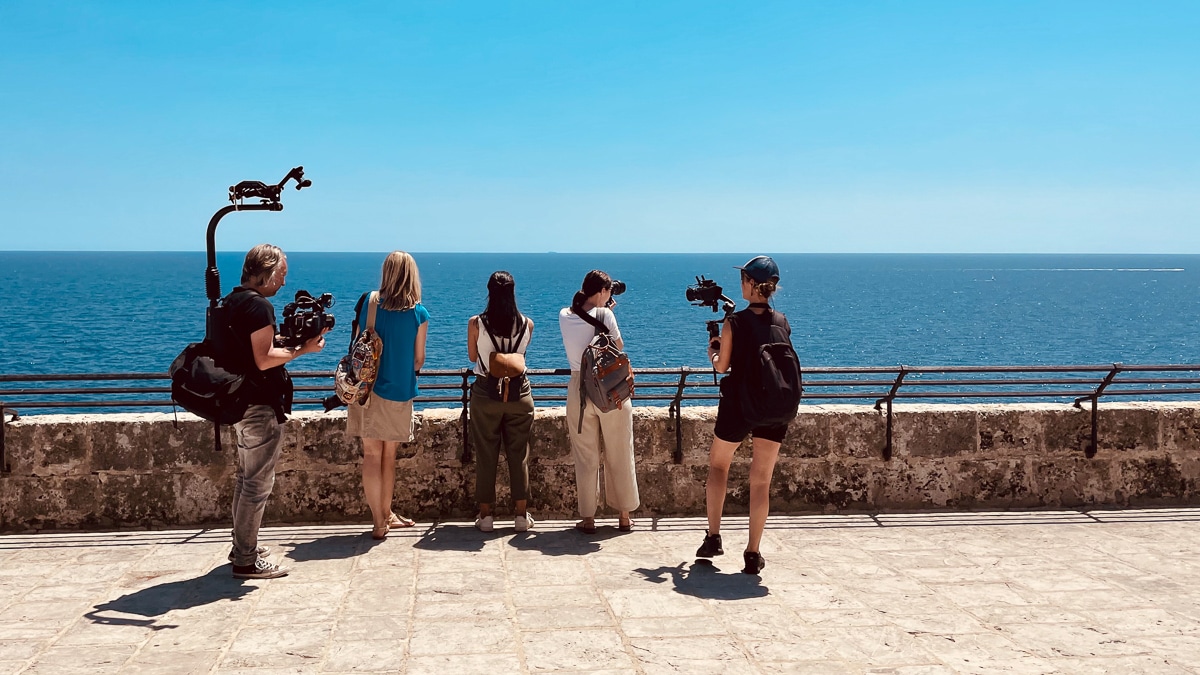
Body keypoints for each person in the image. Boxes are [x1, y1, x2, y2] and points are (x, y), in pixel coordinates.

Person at [222, 243, 327, 579]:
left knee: (244, 479)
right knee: (257, 484)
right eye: (281, 274)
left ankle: (242, 546)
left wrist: (284, 340)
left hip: (239, 401)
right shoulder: (259, 307)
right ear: (266, 272)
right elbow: (263, 359)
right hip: (258, 405)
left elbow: (247, 349)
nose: (284, 282)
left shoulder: (233, 301)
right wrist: (302, 349)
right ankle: (246, 561)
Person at [695, 255, 793, 575]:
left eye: (743, 280)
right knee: (761, 481)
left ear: (750, 284)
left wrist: (713, 351)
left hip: (739, 403)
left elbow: (723, 366)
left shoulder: (734, 322)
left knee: (719, 466)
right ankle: (753, 552)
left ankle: (714, 537)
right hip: (774, 407)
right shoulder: (782, 321)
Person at [346, 251, 429, 540]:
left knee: (371, 455)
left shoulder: (369, 303)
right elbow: (419, 360)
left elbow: (357, 344)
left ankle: (379, 521)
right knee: (388, 458)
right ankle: (387, 514)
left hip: (366, 390)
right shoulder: (419, 314)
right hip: (398, 391)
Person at [559, 270, 639, 534]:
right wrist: (607, 313)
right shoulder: (606, 315)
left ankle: (588, 518)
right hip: (609, 389)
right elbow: (617, 345)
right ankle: (624, 515)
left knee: (585, 456)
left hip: (578, 389)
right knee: (619, 451)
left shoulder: (564, 315)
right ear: (603, 291)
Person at [467, 271, 535, 532]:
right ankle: (520, 515)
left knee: (486, 454)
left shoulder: (476, 323)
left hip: (486, 392)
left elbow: (473, 355)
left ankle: (485, 517)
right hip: (520, 393)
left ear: (489, 292)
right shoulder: (527, 324)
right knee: (519, 455)